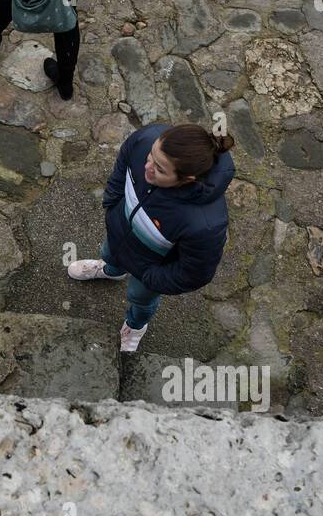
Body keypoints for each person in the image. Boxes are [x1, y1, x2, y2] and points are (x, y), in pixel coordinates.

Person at [68, 122, 236, 352]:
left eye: (159, 169)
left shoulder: (205, 225)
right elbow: (125, 160)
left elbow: (194, 273)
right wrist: (112, 202)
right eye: (151, 156)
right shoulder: (147, 139)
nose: (147, 167)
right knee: (108, 254)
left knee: (140, 298)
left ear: (186, 179)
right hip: (119, 235)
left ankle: (135, 326)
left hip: (149, 267)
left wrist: (150, 277)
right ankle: (110, 271)